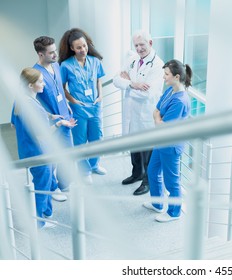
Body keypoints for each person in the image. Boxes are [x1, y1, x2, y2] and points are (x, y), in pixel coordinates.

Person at [12, 68, 76, 228]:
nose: (44, 85)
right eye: (40, 82)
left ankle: (46, 213)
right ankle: (38, 222)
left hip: (29, 150)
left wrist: (49, 116)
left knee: (45, 181)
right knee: (42, 186)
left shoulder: (22, 100)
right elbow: (41, 135)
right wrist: (59, 123)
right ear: (30, 85)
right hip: (39, 152)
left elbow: (15, 124)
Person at [113, 30, 164, 195]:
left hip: (145, 114)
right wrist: (132, 84)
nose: (139, 48)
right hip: (132, 112)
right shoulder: (133, 59)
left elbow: (147, 93)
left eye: (142, 44)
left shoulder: (158, 65)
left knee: (147, 150)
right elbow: (115, 79)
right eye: (136, 45)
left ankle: (147, 181)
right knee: (133, 146)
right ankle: (136, 173)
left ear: (150, 43)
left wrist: (126, 82)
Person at [143, 59, 192, 222]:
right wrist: (158, 118)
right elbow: (156, 111)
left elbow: (161, 125)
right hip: (161, 141)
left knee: (172, 181)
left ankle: (174, 213)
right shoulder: (170, 91)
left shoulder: (179, 100)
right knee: (152, 170)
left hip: (171, 145)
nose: (164, 77)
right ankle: (157, 203)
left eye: (166, 74)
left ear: (177, 77)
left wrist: (158, 119)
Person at [59, 28, 106, 184]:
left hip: (94, 106)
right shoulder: (65, 66)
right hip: (78, 108)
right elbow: (62, 87)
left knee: (97, 138)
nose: (83, 50)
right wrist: (72, 100)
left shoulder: (95, 61)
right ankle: (84, 171)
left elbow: (99, 79)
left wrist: (100, 95)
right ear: (72, 48)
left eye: (84, 46)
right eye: (78, 47)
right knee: (80, 141)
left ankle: (94, 165)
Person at [33, 36, 74, 201]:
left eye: (55, 50)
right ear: (41, 54)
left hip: (65, 119)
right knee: (52, 158)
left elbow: (60, 89)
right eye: (51, 53)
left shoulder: (56, 66)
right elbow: (31, 99)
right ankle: (52, 188)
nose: (55, 55)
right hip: (50, 123)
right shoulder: (35, 74)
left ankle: (63, 184)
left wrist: (66, 104)